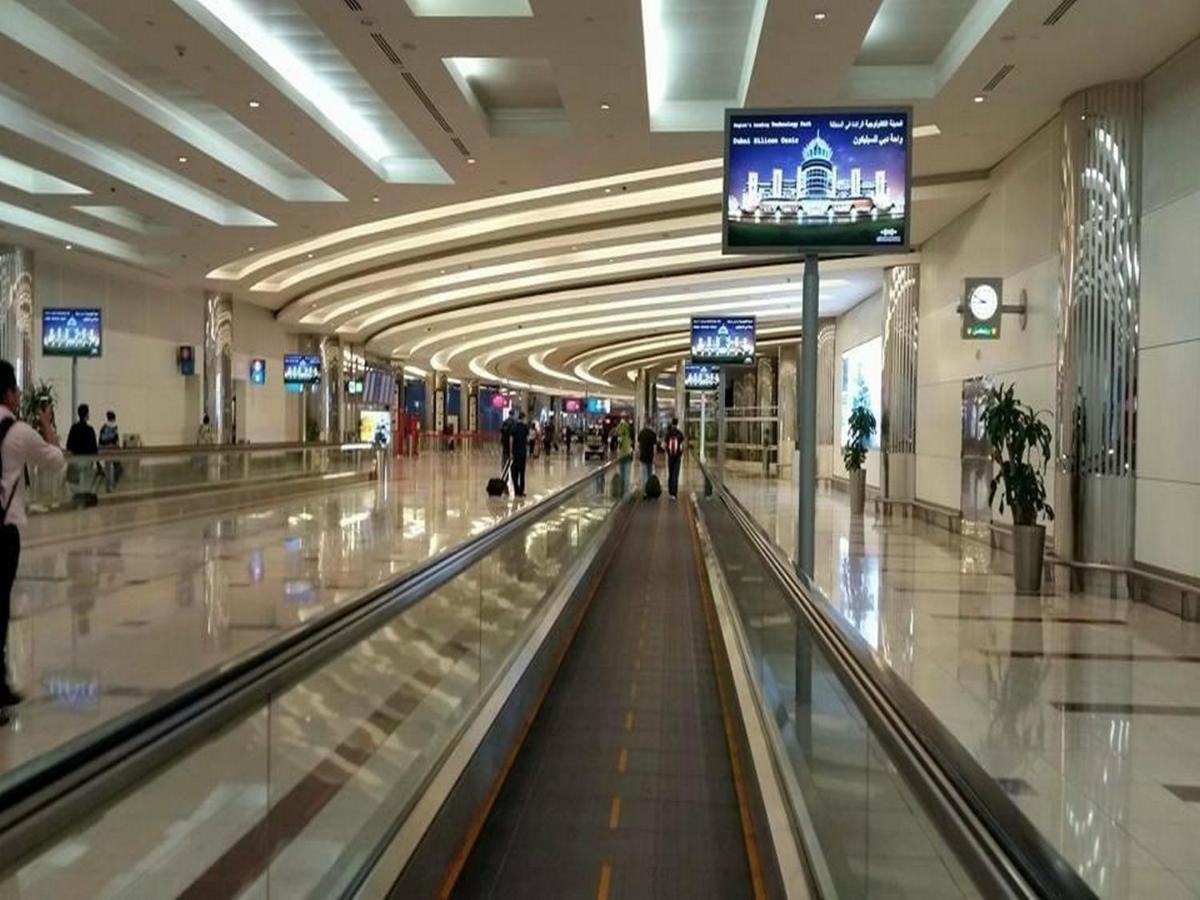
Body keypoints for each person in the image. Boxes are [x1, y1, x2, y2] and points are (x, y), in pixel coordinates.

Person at [0, 360, 66, 709]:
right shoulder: (19, 432)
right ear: (10, 393)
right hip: (4, 531)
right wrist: (47, 424)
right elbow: (56, 460)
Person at [98, 410, 121, 492]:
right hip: (112, 450)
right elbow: (116, 440)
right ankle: (112, 486)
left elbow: (100, 440)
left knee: (108, 468)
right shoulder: (114, 427)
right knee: (115, 468)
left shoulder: (104, 427)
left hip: (104, 450)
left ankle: (108, 487)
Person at [664, 417, 685, 500]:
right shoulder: (680, 434)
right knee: (675, 474)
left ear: (672, 423)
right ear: (677, 424)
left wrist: (668, 453)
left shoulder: (668, 433)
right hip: (677, 457)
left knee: (670, 473)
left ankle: (670, 491)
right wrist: (680, 454)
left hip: (670, 457)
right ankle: (674, 494)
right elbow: (682, 446)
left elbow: (665, 445)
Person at [510, 411, 530, 497]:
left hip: (515, 452)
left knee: (515, 472)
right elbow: (528, 440)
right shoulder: (525, 427)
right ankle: (521, 491)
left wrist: (511, 452)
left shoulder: (514, 427)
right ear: (524, 418)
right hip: (523, 453)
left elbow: (511, 440)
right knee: (522, 473)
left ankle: (516, 489)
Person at [615, 419, 632, 486]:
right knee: (627, 473)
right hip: (627, 455)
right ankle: (626, 486)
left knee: (622, 471)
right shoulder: (628, 437)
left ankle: (622, 485)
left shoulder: (620, 437)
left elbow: (619, 446)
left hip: (621, 456)